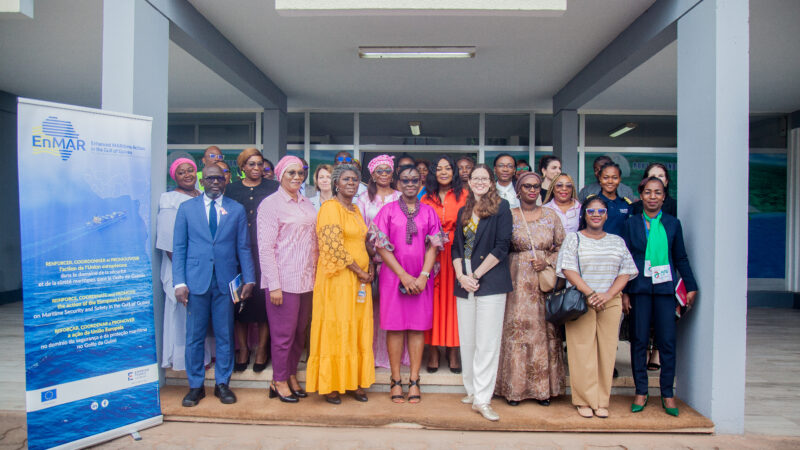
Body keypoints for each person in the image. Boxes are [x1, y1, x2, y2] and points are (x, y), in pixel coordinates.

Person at [172, 163, 256, 407]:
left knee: (225, 335)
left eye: (219, 178)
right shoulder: (186, 209)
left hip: (225, 282)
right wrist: (179, 282)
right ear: (202, 181)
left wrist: (249, 279)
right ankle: (195, 386)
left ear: (225, 181)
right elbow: (179, 248)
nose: (215, 182)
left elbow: (243, 247)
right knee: (194, 337)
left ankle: (222, 384)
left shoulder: (236, 209)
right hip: (196, 282)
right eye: (210, 179)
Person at [555, 196, 638, 418]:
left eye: (600, 212)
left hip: (610, 302)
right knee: (582, 350)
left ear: (607, 215)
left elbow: (626, 271)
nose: (596, 215)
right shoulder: (574, 239)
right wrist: (590, 293)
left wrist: (608, 294)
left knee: (607, 351)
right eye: (591, 211)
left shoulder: (617, 241)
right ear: (585, 214)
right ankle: (584, 400)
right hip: (582, 301)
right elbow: (567, 269)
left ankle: (602, 400)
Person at [370, 164, 446, 403]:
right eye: (406, 180)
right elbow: (380, 246)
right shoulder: (387, 211)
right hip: (394, 277)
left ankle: (414, 380)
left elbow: (435, 245)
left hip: (422, 278)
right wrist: (403, 275)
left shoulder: (429, 212)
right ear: (398, 184)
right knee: (394, 327)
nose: (411, 184)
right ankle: (395, 380)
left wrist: (423, 275)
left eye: (415, 180)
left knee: (417, 327)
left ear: (420, 183)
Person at [622, 177, 698, 417]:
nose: (652, 197)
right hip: (639, 290)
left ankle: (667, 393)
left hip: (666, 290)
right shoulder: (631, 223)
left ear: (664, 196)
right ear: (640, 196)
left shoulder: (673, 224)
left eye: (657, 192)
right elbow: (624, 258)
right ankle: (641, 391)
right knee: (639, 341)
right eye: (648, 192)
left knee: (667, 342)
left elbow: (682, 258)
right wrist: (624, 291)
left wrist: (691, 285)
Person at [495, 172, 566, 407]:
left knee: (542, 332)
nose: (532, 190)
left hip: (542, 282)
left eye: (536, 186)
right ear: (518, 190)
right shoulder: (509, 216)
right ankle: (513, 389)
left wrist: (547, 262)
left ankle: (542, 390)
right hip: (515, 282)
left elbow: (563, 248)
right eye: (527, 186)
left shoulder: (551, 216)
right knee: (516, 330)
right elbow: (500, 245)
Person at [306, 163, 375, 404]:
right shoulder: (329, 208)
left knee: (356, 328)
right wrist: (359, 271)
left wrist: (372, 265)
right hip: (338, 279)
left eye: (354, 180)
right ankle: (332, 384)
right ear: (336, 183)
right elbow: (332, 248)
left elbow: (364, 241)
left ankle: (354, 380)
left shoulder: (355, 209)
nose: (351, 183)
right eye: (346, 179)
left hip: (359, 281)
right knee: (336, 327)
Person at [451, 163, 513, 421]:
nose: (478, 181)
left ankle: (483, 399)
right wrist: (461, 276)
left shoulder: (502, 208)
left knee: (487, 343)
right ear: (469, 182)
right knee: (468, 341)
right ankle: (472, 389)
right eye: (474, 177)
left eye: (483, 178)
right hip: (464, 283)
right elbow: (456, 248)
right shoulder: (464, 210)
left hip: (489, 282)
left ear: (491, 182)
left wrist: (475, 275)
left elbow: (501, 247)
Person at [257, 156, 318, 403]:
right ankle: (279, 380)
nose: (296, 177)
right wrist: (274, 285)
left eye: (300, 173)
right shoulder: (270, 204)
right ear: (280, 175)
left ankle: (291, 374)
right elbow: (265, 248)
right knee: (283, 335)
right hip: (283, 282)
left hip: (307, 280)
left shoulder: (306, 203)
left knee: (299, 333)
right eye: (290, 173)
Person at [224, 148, 280, 373]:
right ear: (242, 168)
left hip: (266, 253)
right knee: (239, 304)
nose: (257, 169)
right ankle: (244, 349)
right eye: (252, 165)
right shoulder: (230, 190)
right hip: (237, 254)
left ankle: (262, 350)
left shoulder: (274, 188)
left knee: (263, 304)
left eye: (260, 165)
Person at [157, 157, 212, 372]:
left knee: (200, 318)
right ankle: (184, 361)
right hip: (182, 269)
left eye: (191, 170)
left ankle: (204, 357)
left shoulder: (203, 195)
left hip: (202, 269)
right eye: (181, 172)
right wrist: (184, 276)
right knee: (184, 318)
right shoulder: (170, 199)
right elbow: (170, 243)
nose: (188, 175)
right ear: (174, 176)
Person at [420, 155, 467, 373]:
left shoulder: (466, 195)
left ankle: (453, 350)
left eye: (448, 168)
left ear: (454, 172)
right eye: (439, 169)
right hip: (432, 254)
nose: (444, 172)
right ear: (433, 173)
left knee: (455, 302)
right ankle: (433, 350)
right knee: (433, 302)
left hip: (456, 253)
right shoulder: (425, 197)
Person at [357, 155, 404, 370]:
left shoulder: (401, 197)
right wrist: (370, 259)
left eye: (387, 170)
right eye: (379, 171)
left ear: (392, 173)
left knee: (393, 309)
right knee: (371, 309)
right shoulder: (363, 199)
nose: (384, 174)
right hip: (370, 259)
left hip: (397, 262)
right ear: (372, 175)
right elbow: (361, 230)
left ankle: (392, 355)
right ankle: (372, 355)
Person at [587, 162, 632, 237]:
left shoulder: (626, 204)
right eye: (605, 177)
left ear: (620, 179)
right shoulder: (591, 203)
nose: (610, 181)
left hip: (619, 247)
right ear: (600, 179)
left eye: (614, 178)